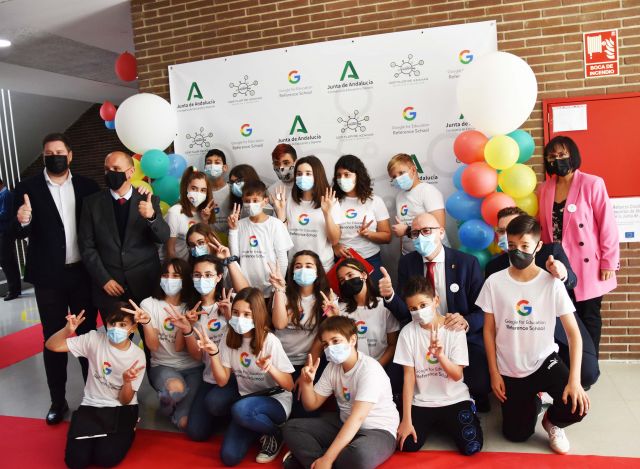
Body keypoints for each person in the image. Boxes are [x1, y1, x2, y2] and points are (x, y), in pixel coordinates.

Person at [478, 215, 589, 454]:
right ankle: (534, 401)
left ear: (538, 246)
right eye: (512, 245)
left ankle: (552, 422)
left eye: (525, 246)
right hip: (510, 368)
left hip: (544, 361)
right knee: (516, 435)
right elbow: (488, 330)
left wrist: (575, 381)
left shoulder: (552, 283)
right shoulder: (494, 282)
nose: (518, 251)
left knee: (577, 406)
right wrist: (494, 373)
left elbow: (573, 334)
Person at [12, 132, 99, 424]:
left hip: (82, 275)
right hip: (49, 278)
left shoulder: (88, 187)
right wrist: (22, 219)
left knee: (88, 337)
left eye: (59, 152)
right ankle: (57, 401)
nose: (54, 157)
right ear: (44, 156)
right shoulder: (27, 188)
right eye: (48, 153)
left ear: (70, 155)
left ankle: (93, 397)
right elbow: (13, 231)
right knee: (53, 338)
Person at [381, 212, 490, 411]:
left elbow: (484, 310)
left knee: (481, 384)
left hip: (458, 335)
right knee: (393, 381)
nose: (420, 237)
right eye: (415, 233)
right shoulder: (408, 263)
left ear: (440, 232)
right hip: (420, 335)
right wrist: (389, 296)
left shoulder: (467, 263)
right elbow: (406, 312)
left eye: (426, 231)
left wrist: (466, 322)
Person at [486, 206, 599, 388]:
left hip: (558, 325)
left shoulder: (550, 252)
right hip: (519, 332)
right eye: (503, 231)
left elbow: (572, 280)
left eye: (515, 229)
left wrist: (562, 273)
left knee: (587, 374)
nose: (509, 236)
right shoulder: (494, 268)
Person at [193, 287, 295, 466]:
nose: (240, 318)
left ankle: (276, 433)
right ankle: (254, 425)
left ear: (257, 315)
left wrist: (271, 368)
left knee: (241, 410)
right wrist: (214, 353)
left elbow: (289, 385)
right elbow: (223, 380)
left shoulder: (270, 340)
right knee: (229, 458)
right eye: (236, 313)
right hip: (246, 398)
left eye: (247, 314)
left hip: (274, 399)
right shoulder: (228, 336)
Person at [538, 136, 619, 357]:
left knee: (589, 316)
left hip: (589, 265)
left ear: (572, 155)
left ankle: (589, 366)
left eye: (562, 155)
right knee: (564, 315)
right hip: (557, 264)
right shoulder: (545, 189)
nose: (557, 160)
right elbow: (545, 228)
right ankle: (570, 362)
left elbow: (607, 226)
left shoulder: (592, 183)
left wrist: (609, 261)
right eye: (552, 156)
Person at [282, 316, 399, 469]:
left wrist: (328, 459)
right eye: (326, 344)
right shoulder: (332, 367)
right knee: (291, 427)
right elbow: (311, 405)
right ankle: (320, 461)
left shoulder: (370, 369)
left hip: (377, 431)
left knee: (359, 456)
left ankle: (312, 461)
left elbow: (357, 419)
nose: (330, 348)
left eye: (335, 341)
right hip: (343, 423)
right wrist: (307, 383)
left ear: (352, 340)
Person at [45, 306, 145, 469]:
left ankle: (131, 425)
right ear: (106, 323)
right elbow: (52, 346)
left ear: (133, 327)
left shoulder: (137, 355)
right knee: (75, 462)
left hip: (121, 406)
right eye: (112, 324)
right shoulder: (94, 339)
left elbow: (125, 400)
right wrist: (67, 330)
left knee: (106, 459)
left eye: (122, 325)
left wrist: (127, 381)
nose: (116, 329)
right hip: (91, 405)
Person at [394, 276, 483, 456]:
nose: (418, 312)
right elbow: (409, 377)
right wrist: (406, 420)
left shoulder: (454, 330)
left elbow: (457, 375)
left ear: (436, 300)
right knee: (406, 445)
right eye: (413, 309)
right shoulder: (407, 333)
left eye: (423, 305)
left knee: (472, 447)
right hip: (422, 401)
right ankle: (434, 422)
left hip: (453, 399)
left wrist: (440, 356)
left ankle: (462, 414)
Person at [79, 151, 170, 320]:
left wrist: (152, 217)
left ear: (130, 172)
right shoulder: (91, 203)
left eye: (116, 168)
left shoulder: (149, 200)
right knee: (115, 343)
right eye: (107, 169)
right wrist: (104, 279)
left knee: (151, 343)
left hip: (145, 286)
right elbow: (87, 246)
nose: (110, 173)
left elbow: (163, 237)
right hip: (109, 289)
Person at [121, 258, 201, 429]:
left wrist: (185, 325)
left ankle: (177, 408)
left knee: (184, 423)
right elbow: (153, 347)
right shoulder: (148, 304)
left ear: (185, 279)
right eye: (166, 275)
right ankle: (170, 403)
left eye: (176, 275)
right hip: (163, 366)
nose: (170, 279)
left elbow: (179, 347)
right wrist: (147, 322)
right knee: (176, 390)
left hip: (194, 368)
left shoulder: (191, 306)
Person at [270, 250, 332, 417]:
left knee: (303, 411)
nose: (303, 269)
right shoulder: (282, 293)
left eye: (308, 266)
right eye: (298, 266)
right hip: (280, 361)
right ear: (292, 271)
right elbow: (279, 324)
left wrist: (306, 368)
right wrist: (278, 291)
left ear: (317, 271)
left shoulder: (326, 297)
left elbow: (321, 339)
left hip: (308, 361)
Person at [182, 255, 237, 442]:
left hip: (238, 376)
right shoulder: (189, 311)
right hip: (211, 374)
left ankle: (234, 413)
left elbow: (249, 339)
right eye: (197, 275)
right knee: (196, 432)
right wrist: (188, 330)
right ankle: (222, 414)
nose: (202, 279)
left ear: (219, 277)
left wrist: (231, 317)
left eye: (208, 274)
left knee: (215, 403)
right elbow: (197, 356)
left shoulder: (231, 301)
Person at [273, 155, 344, 272]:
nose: (302, 177)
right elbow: (282, 237)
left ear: (317, 175)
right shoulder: (289, 198)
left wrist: (326, 213)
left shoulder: (330, 200)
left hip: (322, 266)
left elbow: (334, 240)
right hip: (295, 265)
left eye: (308, 173)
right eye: (299, 174)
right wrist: (280, 213)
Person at [228, 180, 293, 299]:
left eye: (255, 200)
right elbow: (234, 257)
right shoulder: (239, 225)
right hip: (245, 288)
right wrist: (232, 230)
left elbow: (282, 259)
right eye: (247, 201)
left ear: (265, 201)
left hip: (270, 289)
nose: (251, 204)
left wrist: (278, 285)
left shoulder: (275, 224)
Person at [332, 154, 391, 283]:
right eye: (339, 175)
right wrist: (335, 247)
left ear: (358, 175)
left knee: (376, 299)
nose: (342, 179)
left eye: (347, 174)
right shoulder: (332, 201)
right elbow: (325, 235)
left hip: (370, 259)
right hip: (343, 262)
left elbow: (387, 237)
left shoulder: (375, 201)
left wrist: (369, 234)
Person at [387, 153, 446, 255]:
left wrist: (406, 231)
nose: (398, 179)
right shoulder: (399, 196)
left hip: (433, 253)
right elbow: (402, 227)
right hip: (409, 254)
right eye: (394, 177)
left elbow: (439, 226)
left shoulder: (427, 191)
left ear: (413, 170)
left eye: (401, 173)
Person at [165, 167, 214, 260]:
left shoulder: (204, 213)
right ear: (186, 188)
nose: (198, 193)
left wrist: (205, 221)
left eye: (203, 190)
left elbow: (205, 245)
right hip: (178, 266)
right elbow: (170, 251)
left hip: (194, 266)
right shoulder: (175, 212)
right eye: (194, 188)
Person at [185, 222, 250, 292]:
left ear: (211, 240)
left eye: (201, 242)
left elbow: (245, 292)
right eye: (192, 245)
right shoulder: (190, 267)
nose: (197, 248)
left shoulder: (226, 263)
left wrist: (228, 260)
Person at [203, 149, 231, 244]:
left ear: (225, 167)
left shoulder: (232, 190)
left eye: (217, 162)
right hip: (209, 240)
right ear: (205, 168)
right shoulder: (201, 192)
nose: (212, 165)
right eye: (209, 162)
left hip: (231, 239)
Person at [0, 177, 21, 300]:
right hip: (4, 232)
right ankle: (15, 289)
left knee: (6, 261)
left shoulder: (6, 195)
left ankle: (13, 290)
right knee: (9, 261)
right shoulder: (4, 195)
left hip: (6, 233)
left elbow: (5, 213)